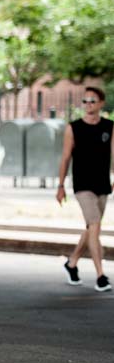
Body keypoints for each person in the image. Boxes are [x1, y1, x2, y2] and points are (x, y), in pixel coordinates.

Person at [57, 86, 113, 292]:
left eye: (92, 101)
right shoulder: (74, 128)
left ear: (100, 104)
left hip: (102, 185)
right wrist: (61, 185)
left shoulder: (109, 126)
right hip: (82, 185)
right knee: (96, 225)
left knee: (91, 229)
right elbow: (65, 158)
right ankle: (100, 275)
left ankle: (72, 263)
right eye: (85, 101)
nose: (88, 104)